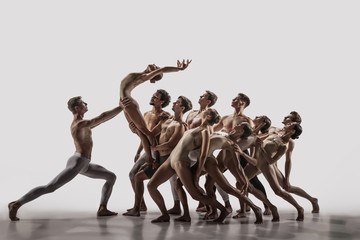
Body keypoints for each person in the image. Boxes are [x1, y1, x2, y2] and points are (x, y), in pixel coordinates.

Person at [8, 96, 122, 221]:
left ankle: (102, 209)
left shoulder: (84, 125)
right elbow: (101, 117)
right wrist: (121, 107)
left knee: (111, 177)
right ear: (77, 108)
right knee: (50, 187)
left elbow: (102, 120)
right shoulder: (79, 125)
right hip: (77, 162)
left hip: (84, 164)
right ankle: (16, 204)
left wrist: (120, 108)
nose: (86, 103)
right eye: (83, 103)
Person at [147, 108, 231, 223]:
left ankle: (223, 210)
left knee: (195, 195)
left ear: (209, 117)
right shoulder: (195, 128)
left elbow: (203, 155)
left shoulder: (205, 132)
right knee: (151, 185)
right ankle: (165, 215)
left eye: (207, 112)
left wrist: (196, 175)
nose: (203, 112)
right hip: (171, 159)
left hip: (181, 161)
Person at [174, 122, 265, 224]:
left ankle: (256, 208)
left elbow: (237, 165)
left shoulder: (232, 144)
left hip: (208, 162)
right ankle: (213, 212)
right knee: (201, 185)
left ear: (241, 131)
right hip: (200, 161)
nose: (236, 124)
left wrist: (245, 181)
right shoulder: (224, 133)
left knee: (228, 188)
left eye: (240, 124)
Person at [123, 96, 191, 217]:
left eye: (177, 102)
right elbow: (150, 134)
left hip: (170, 159)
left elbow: (170, 145)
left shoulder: (180, 125)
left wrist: (153, 149)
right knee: (138, 177)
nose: (174, 102)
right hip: (160, 158)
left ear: (181, 108)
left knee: (177, 184)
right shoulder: (165, 121)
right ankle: (137, 208)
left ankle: (181, 212)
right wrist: (134, 126)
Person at [119, 59, 191, 166]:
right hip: (123, 103)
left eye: (156, 67)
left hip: (128, 102)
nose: (154, 65)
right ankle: (149, 158)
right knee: (140, 132)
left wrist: (180, 69)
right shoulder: (140, 75)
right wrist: (138, 152)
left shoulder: (144, 77)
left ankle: (152, 159)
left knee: (146, 132)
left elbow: (164, 69)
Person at [213, 93, 271, 215]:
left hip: (240, 151)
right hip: (226, 152)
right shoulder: (225, 118)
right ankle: (214, 205)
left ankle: (267, 206)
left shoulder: (247, 120)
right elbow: (213, 130)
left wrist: (252, 157)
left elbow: (252, 138)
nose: (232, 100)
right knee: (213, 176)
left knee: (251, 181)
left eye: (236, 99)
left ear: (242, 103)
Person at [242, 122, 305, 221]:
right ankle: (271, 206)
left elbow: (271, 161)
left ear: (292, 131)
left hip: (266, 165)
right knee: (241, 184)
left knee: (278, 191)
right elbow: (258, 141)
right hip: (256, 162)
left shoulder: (284, 146)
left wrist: (262, 148)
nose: (288, 124)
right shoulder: (275, 134)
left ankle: (299, 208)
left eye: (291, 124)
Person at [184, 91, 231, 213]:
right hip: (189, 150)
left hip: (200, 151)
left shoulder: (209, 115)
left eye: (203, 96)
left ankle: (225, 204)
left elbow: (208, 132)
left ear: (208, 102)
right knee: (208, 179)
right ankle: (206, 204)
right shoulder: (192, 113)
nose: (199, 96)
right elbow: (186, 129)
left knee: (213, 179)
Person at [127, 89, 171, 212]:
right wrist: (138, 151)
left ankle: (140, 206)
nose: (152, 98)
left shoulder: (165, 115)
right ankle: (141, 204)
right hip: (147, 150)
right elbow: (144, 136)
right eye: (153, 96)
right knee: (132, 174)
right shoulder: (146, 114)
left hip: (157, 150)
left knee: (140, 176)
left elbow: (152, 134)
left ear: (161, 102)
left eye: (156, 97)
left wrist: (156, 157)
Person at [266, 111, 319, 213]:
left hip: (271, 163)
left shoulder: (290, 141)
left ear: (293, 124)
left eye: (288, 118)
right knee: (246, 180)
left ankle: (312, 200)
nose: (285, 117)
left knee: (287, 187)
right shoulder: (273, 129)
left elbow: (288, 160)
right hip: (259, 158)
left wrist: (287, 179)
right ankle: (249, 208)